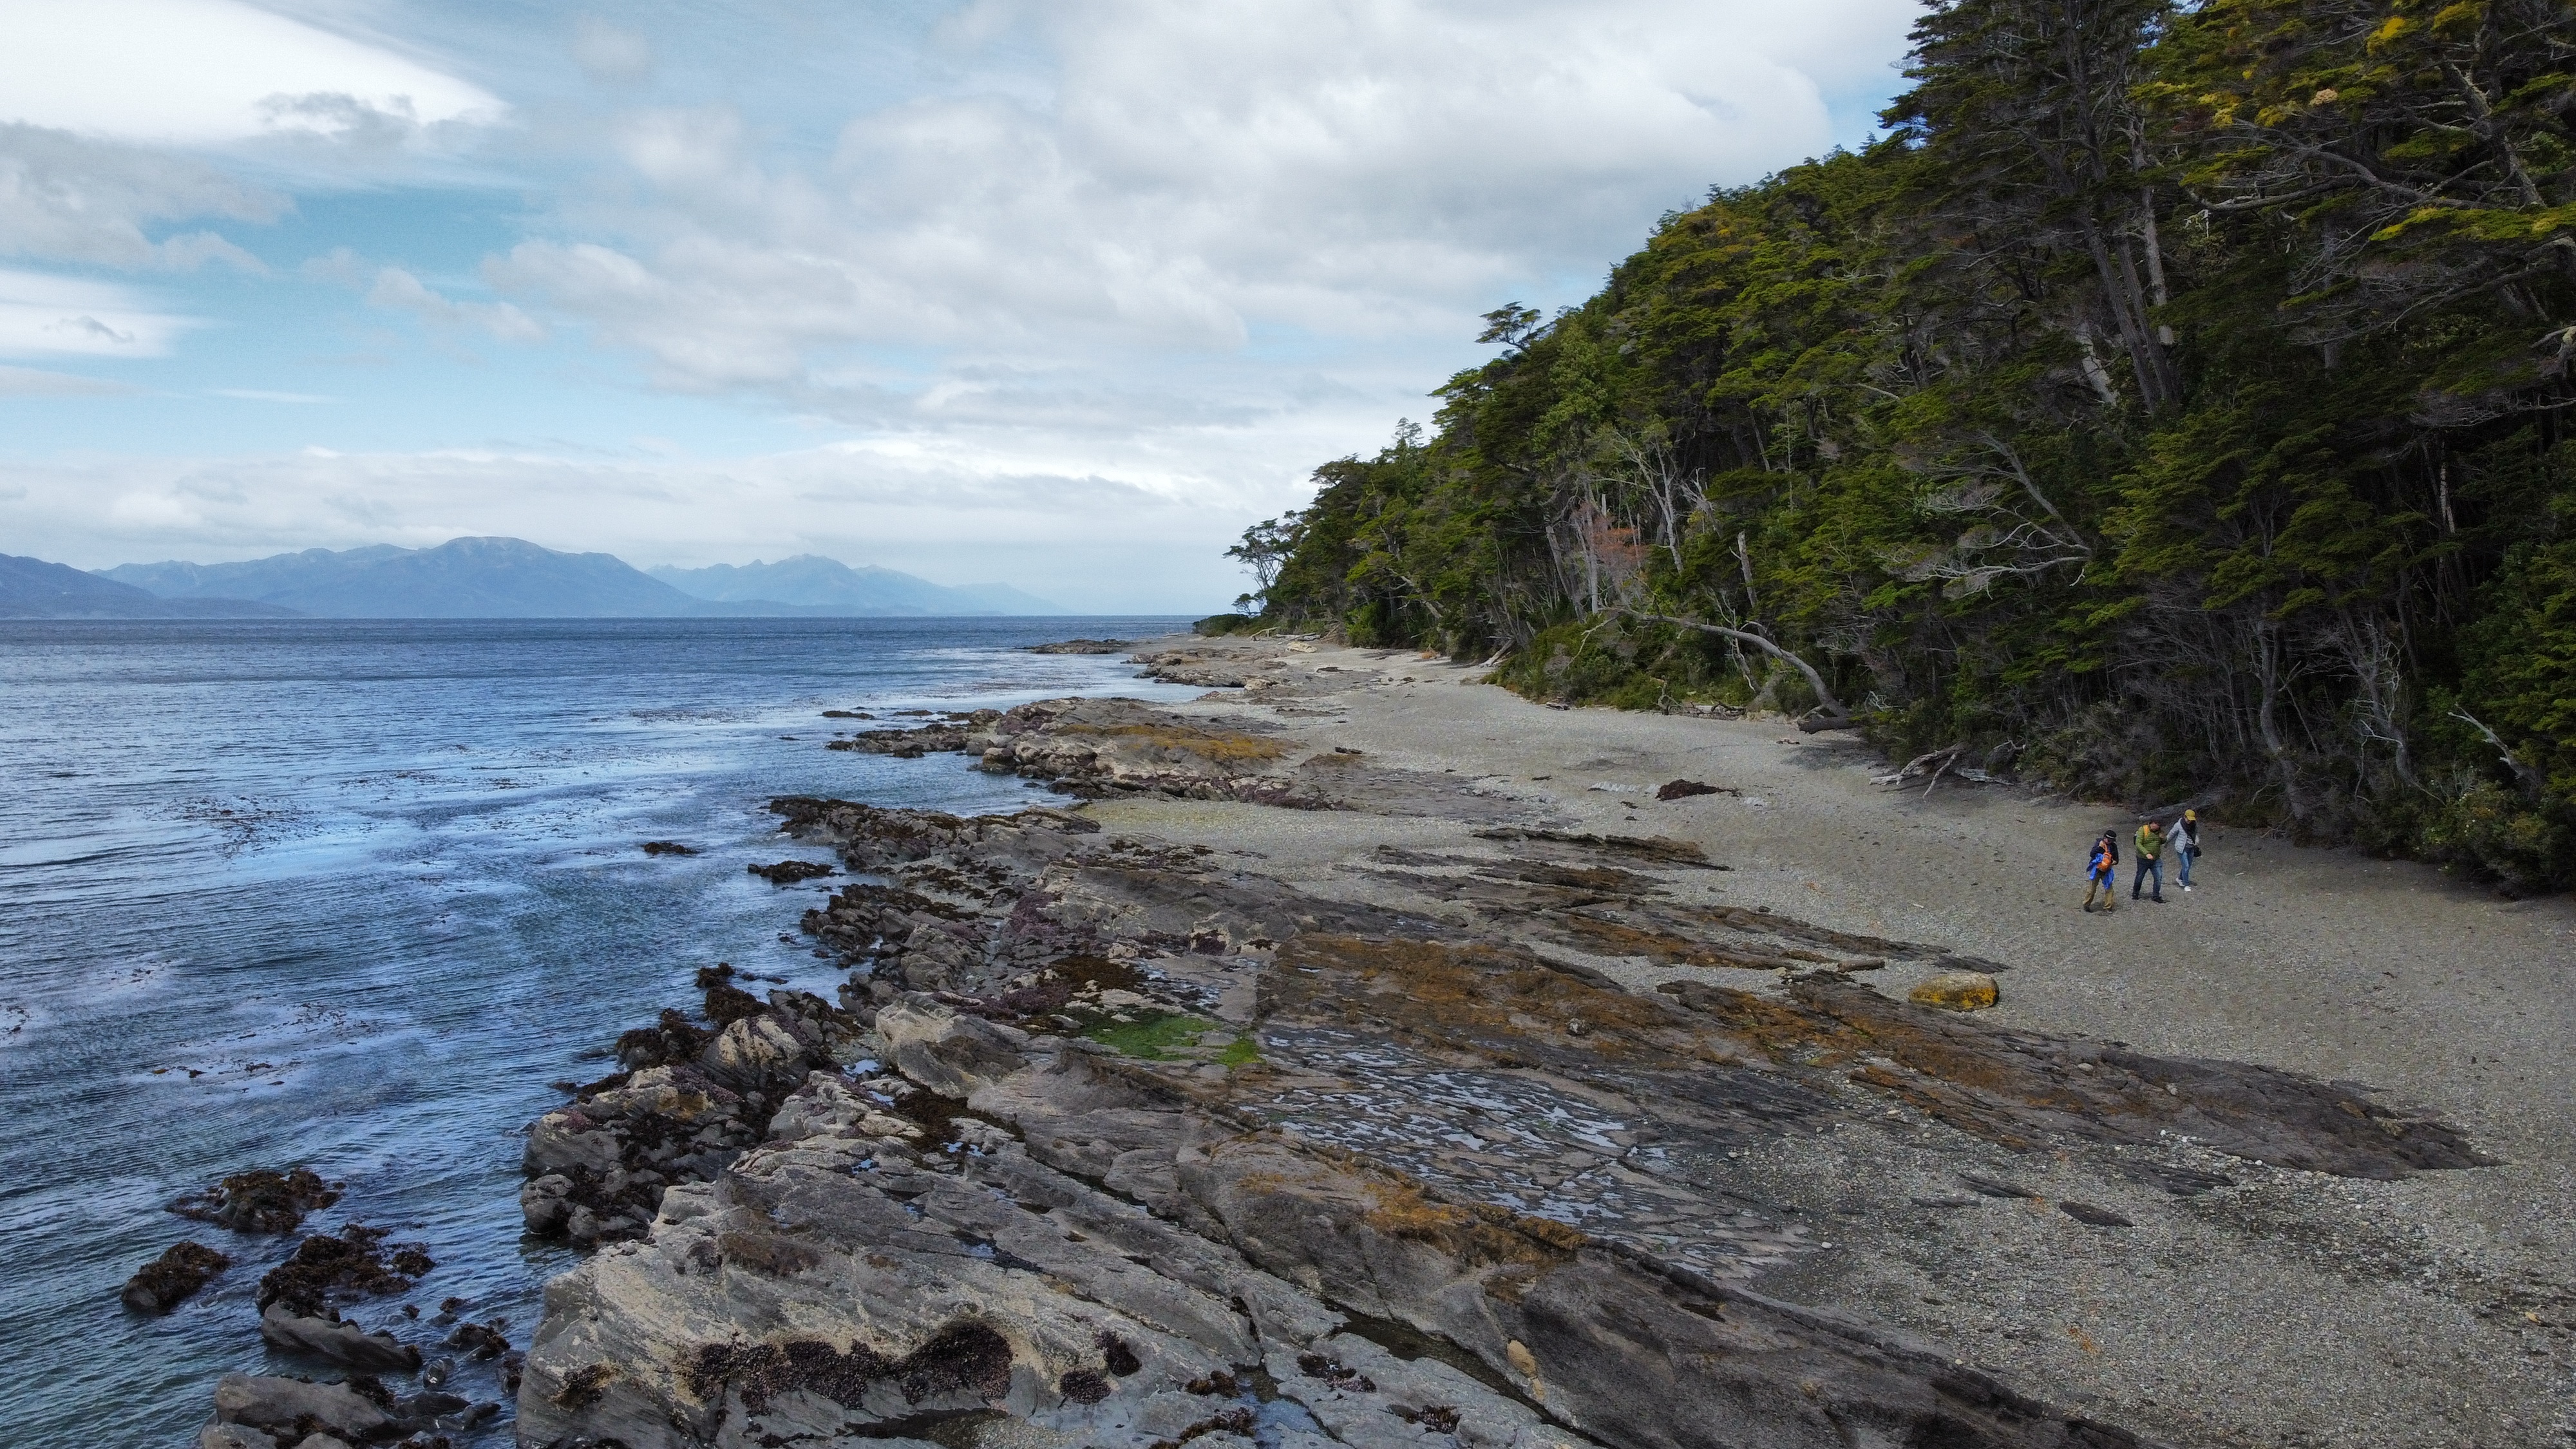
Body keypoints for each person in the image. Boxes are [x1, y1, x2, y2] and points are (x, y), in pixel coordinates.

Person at [2083, 829, 2119, 912]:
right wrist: (2099, 848)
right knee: (2091, 890)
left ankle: (2108, 907)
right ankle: (2086, 904)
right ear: (2105, 838)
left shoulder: (2114, 847)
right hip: (2097, 869)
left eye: (2112, 841)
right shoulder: (2099, 844)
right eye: (2109, 840)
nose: (2110, 842)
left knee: (2109, 889)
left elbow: (2117, 860)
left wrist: (2111, 863)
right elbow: (2092, 854)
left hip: (2107, 871)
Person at [2132, 820, 2166, 902]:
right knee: (2140, 876)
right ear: (2152, 823)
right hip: (2143, 859)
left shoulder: (2159, 832)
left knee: (2159, 877)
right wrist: (2146, 853)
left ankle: (2156, 895)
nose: (2157, 827)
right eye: (2156, 824)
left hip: (2156, 859)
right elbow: (2138, 844)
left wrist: (2164, 839)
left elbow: (2161, 842)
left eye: (2159, 825)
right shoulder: (2143, 830)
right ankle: (2135, 893)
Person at [2172, 809, 2201, 891]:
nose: (2189, 821)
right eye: (2188, 819)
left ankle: (2180, 879)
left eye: (2191, 820)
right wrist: (2165, 843)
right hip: (2182, 848)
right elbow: (2172, 834)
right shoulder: (2178, 825)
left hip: (2191, 848)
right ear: (2184, 817)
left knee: (2187, 865)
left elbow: (2195, 834)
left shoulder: (2194, 825)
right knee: (2186, 866)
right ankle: (2186, 884)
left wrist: (2196, 841)